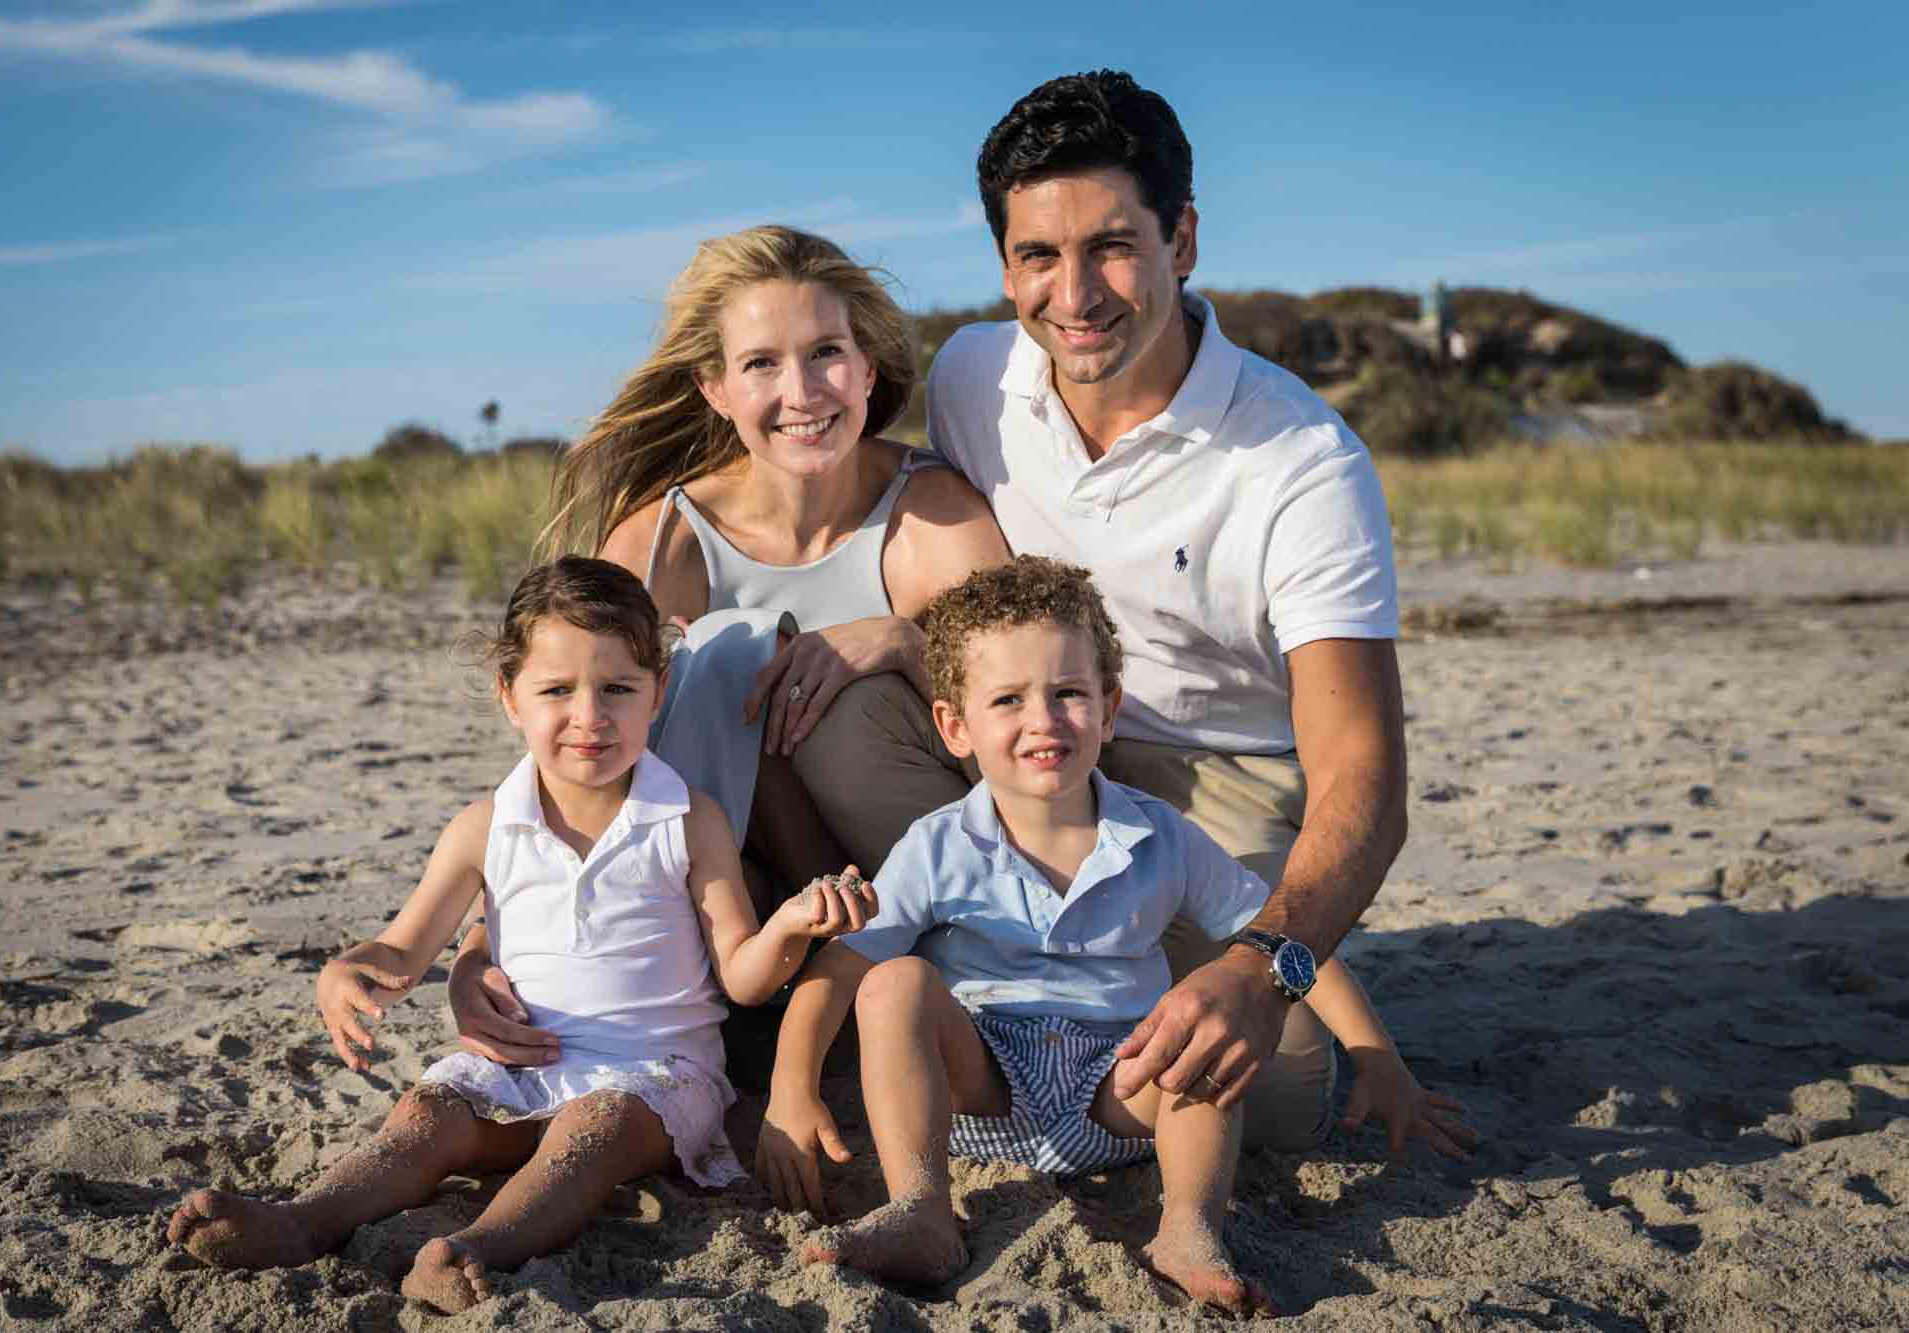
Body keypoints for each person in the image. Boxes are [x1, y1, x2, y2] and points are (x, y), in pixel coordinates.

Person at [788, 69, 1410, 1131]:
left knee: (1276, 1096)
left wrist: (1262, 966)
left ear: (1182, 241)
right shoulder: (972, 377)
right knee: (833, 711)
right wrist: (904, 633)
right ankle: (889, 988)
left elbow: (1365, 775)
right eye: (1038, 255)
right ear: (1002, 264)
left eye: (1112, 246)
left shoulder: (1301, 460)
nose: (1072, 298)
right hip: (1035, 727)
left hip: (1218, 784)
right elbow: (807, 439)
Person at [164, 557, 878, 1314]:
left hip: (655, 1077)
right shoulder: (485, 826)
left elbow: (740, 973)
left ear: (658, 691)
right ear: (509, 696)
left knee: (590, 1131)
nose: (590, 716)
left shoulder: (687, 821)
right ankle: (301, 1219)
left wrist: (794, 924)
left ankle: (476, 1246)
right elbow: (403, 947)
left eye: (618, 689)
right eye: (556, 690)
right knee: (424, 1113)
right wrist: (344, 971)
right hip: (518, 1070)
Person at [757, 559, 1472, 1315]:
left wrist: (1377, 1057)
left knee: (1203, 1024)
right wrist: (789, 1089)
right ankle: (924, 1209)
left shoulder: (1157, 833)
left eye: (1068, 693)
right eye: (1007, 699)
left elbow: (1280, 947)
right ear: (955, 725)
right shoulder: (939, 845)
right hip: (986, 1086)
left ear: (1109, 706)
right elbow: (839, 963)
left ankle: (1188, 1229)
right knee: (893, 982)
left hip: (1121, 1088)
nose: (1043, 719)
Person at [447, 226, 1009, 1072]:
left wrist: (899, 640)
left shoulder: (932, 516)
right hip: (744, 915)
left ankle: (913, 983)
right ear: (714, 386)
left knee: (824, 689)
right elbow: (567, 764)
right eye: (761, 365)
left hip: (929, 886)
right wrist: (476, 952)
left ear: (866, 366)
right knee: (724, 651)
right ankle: (752, 1004)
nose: (802, 391)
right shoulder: (663, 543)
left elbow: (1036, 722)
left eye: (826, 353)